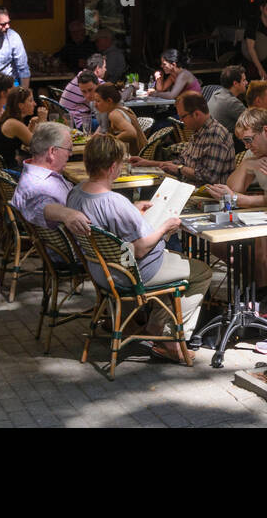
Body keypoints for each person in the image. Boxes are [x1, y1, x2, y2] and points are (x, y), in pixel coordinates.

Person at [68, 133, 213, 364]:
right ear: (113, 167)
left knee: (175, 260)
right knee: (201, 271)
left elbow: (109, 230)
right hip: (132, 272)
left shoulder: (76, 192)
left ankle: (156, 322)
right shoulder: (114, 202)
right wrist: (166, 226)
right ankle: (169, 338)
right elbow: (141, 249)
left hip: (101, 269)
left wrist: (134, 212)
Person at [204, 108, 267, 308]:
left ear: (266, 131)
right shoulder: (253, 153)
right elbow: (233, 191)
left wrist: (237, 199)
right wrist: (245, 167)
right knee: (219, 245)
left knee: (256, 239)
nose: (246, 146)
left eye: (249, 140)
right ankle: (257, 289)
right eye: (243, 142)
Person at [132, 91, 234, 187]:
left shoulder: (215, 135)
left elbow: (208, 177)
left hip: (206, 196)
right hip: (187, 187)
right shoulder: (199, 131)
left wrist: (180, 169)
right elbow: (180, 162)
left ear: (196, 114)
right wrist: (147, 163)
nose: (181, 120)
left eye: (182, 116)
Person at [10, 122, 90, 235]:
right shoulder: (36, 183)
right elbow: (39, 204)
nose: (70, 154)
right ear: (52, 151)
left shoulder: (36, 173)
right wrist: (67, 214)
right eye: (68, 149)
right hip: (82, 245)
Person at [0, 87, 46, 171]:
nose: (35, 104)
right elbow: (40, 146)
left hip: (1, 170)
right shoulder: (13, 124)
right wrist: (42, 122)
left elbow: (25, 141)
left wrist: (31, 124)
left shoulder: (9, 120)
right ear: (20, 105)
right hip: (8, 173)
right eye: (30, 100)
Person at [93, 83, 146, 155]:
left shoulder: (114, 114)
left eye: (98, 101)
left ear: (109, 101)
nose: (95, 105)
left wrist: (110, 142)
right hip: (142, 153)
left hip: (137, 158)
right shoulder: (125, 109)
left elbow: (131, 133)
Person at [59, 64, 103, 131]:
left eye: (90, 90)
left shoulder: (80, 78)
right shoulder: (82, 82)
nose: (88, 95)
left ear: (98, 84)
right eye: (84, 92)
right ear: (97, 69)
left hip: (77, 118)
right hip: (75, 122)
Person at [208, 65, 249, 133]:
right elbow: (253, 122)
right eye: (244, 80)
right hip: (225, 142)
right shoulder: (232, 102)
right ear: (235, 83)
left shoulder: (216, 93)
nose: (247, 83)